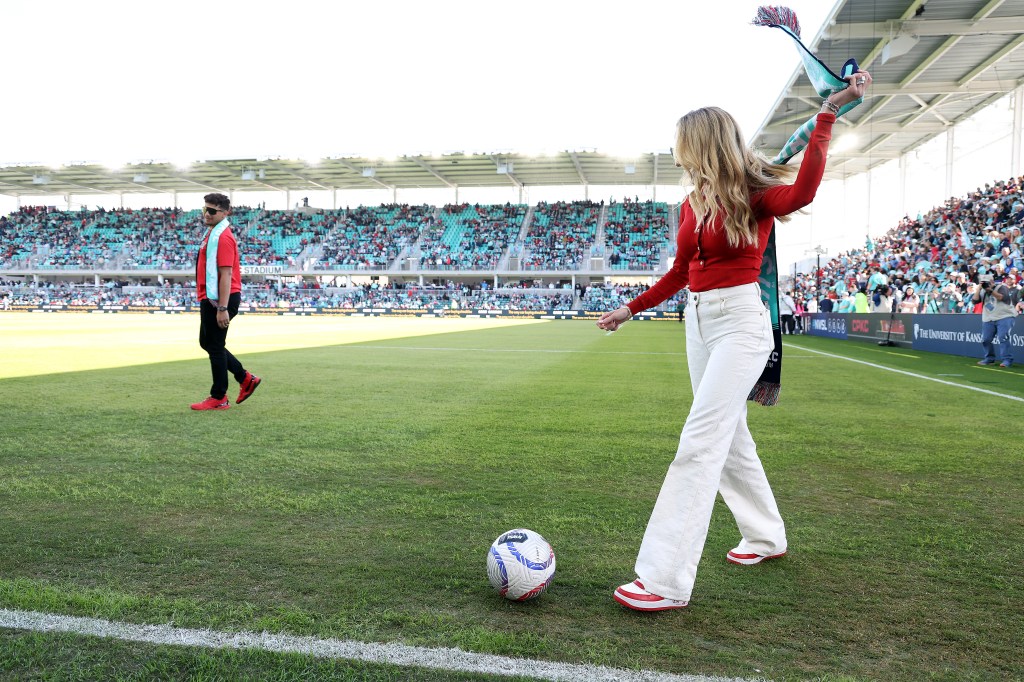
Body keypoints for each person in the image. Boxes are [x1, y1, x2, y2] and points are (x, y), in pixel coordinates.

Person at [597, 70, 871, 611]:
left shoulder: (754, 192)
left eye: (682, 146)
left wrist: (826, 117)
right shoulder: (690, 203)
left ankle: (664, 579)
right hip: (698, 323)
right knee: (731, 437)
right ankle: (766, 537)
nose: (677, 157)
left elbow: (803, 191)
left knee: (700, 441)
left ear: (702, 143)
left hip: (743, 322)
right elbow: (681, 271)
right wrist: (630, 308)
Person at [191, 193, 262, 410]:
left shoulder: (223, 237)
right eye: (205, 209)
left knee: (214, 345)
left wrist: (222, 308)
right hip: (212, 297)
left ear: (225, 212)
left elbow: (226, 274)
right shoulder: (212, 233)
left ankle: (219, 396)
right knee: (208, 343)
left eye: (212, 211)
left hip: (221, 299)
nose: (207, 214)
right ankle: (245, 378)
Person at [973, 274, 1018, 368]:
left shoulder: (1002, 287)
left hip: (1005, 316)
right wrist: (978, 288)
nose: (986, 284)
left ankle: (1007, 360)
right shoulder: (982, 291)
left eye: (987, 282)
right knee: (986, 339)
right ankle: (989, 359)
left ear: (992, 281)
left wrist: (990, 290)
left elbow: (1002, 298)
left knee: (1003, 337)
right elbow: (975, 301)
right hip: (988, 318)